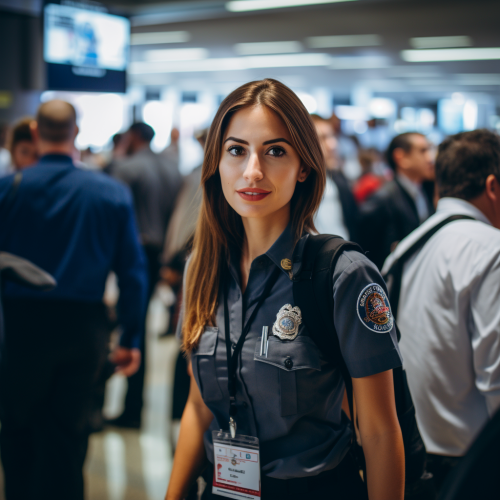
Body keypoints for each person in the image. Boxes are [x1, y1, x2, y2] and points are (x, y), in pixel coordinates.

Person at [165, 79, 404, 500]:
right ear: (216, 162)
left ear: (304, 166)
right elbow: (199, 406)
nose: (252, 171)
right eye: (236, 150)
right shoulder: (200, 269)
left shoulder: (344, 276)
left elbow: (381, 431)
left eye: (275, 151)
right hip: (222, 489)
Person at [0, 100, 148, 500]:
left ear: (35, 133)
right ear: (77, 133)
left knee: (17, 433)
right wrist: (131, 338)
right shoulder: (109, 192)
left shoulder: (9, 188)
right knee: (67, 435)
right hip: (84, 329)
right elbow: (133, 273)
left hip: (19, 327)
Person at [382, 129, 500, 493]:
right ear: (493, 186)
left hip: (410, 455)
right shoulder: (490, 249)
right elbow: (495, 375)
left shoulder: (405, 249)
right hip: (472, 460)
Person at [110, 121, 182, 428]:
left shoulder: (126, 168)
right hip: (161, 254)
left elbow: (114, 215)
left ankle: (128, 407)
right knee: (140, 326)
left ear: (134, 136)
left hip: (131, 252)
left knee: (126, 326)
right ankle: (134, 406)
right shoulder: (172, 169)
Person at [359, 132, 435, 269]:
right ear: (401, 157)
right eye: (423, 151)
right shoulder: (382, 200)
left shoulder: (425, 191)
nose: (431, 158)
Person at [310, 114, 359, 241]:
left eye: (332, 136)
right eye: (322, 138)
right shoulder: (293, 186)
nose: (333, 145)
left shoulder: (337, 179)